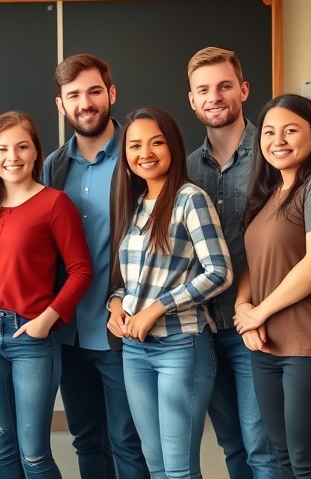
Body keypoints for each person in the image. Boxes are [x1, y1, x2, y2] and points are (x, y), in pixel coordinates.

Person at [234, 94, 311, 479]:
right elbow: (253, 265)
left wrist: (260, 311)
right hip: (268, 345)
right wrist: (243, 310)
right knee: (284, 459)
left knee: (308, 464)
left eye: (291, 130)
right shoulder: (270, 196)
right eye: (269, 132)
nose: (278, 140)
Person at [0, 111, 92, 478]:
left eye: (22, 147)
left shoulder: (55, 203)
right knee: (2, 446)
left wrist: (46, 320)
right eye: (2, 149)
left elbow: (81, 270)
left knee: (33, 454)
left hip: (31, 336)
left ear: (37, 152)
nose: (13, 156)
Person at [107, 107, 232, 478]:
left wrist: (157, 308)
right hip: (135, 349)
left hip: (182, 347)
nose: (145, 152)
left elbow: (219, 271)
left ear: (173, 147)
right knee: (156, 463)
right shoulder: (133, 206)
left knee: (178, 469)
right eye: (135, 145)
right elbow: (129, 281)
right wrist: (116, 305)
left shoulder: (189, 198)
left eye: (156, 142)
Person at [42, 54, 149, 479]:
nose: (85, 103)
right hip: (68, 330)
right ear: (61, 105)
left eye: (93, 91)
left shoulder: (139, 156)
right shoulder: (53, 166)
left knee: (128, 440)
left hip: (123, 326)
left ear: (111, 94)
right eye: (74, 95)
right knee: (87, 439)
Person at [185, 46, 278, 478]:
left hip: (260, 326)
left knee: (264, 449)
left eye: (224, 86)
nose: (214, 96)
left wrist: (257, 308)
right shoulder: (183, 171)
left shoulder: (274, 156)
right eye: (203, 89)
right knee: (232, 447)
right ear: (192, 99)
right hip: (204, 329)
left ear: (243, 89)